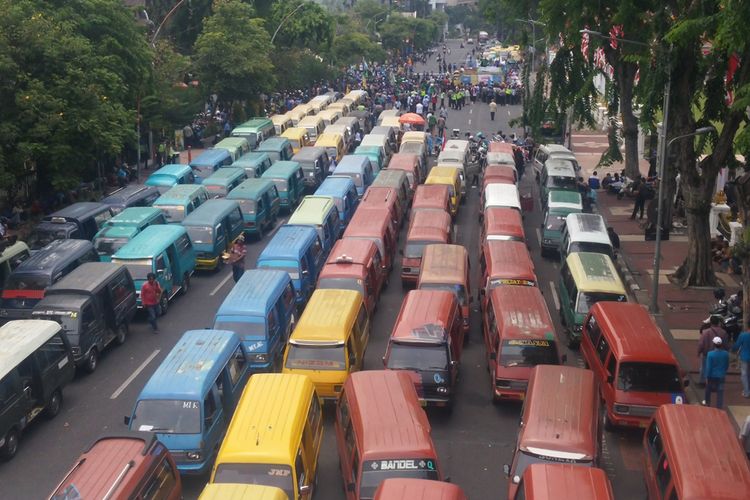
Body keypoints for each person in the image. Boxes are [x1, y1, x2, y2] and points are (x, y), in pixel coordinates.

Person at [698, 316, 728, 385]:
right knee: (717, 367)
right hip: (719, 353)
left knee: (704, 367)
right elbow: (726, 344)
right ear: (718, 323)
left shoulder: (705, 332)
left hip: (706, 353)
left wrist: (699, 352)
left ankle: (702, 382)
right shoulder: (723, 332)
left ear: (710, 322)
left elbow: (701, 344)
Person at [703, 336, 729, 408]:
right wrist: (724, 371)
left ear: (714, 344)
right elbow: (726, 365)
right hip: (721, 375)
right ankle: (719, 406)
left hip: (712, 376)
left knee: (708, 389)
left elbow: (709, 367)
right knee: (720, 391)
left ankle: (707, 403)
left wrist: (707, 376)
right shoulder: (726, 354)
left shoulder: (710, 354)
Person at [732, 328, 750, 398]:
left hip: (744, 357)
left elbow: (737, 345)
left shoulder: (743, 335)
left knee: (744, 374)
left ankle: (746, 392)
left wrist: (733, 349)